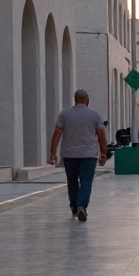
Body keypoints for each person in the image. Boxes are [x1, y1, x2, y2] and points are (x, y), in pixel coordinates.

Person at [49, 89, 108, 222]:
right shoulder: (95, 115)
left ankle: (74, 208)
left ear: (75, 100)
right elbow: (101, 136)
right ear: (87, 101)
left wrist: (52, 152)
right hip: (89, 154)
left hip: (69, 155)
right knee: (86, 181)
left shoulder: (65, 114)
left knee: (72, 181)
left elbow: (57, 134)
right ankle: (81, 206)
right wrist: (104, 153)